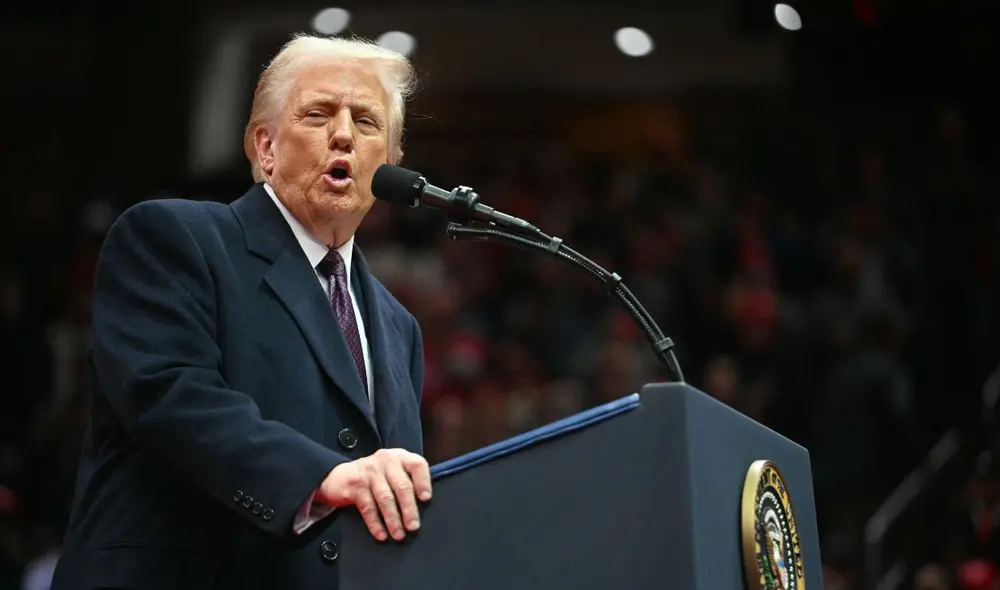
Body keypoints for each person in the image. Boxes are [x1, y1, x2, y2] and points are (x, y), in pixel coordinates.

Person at [50, 34, 431, 590]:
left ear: (390, 165)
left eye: (367, 122)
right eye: (318, 114)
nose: (344, 135)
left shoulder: (399, 328)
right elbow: (171, 395)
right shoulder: (174, 237)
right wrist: (320, 475)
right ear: (265, 147)